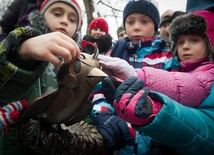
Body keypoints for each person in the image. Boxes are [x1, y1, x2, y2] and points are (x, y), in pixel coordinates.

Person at [99, 13, 214, 155]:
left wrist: (136, 76)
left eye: (194, 40)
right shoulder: (117, 50)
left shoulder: (207, 70)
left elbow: (182, 86)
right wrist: (104, 115)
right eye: (180, 42)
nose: (185, 47)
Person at [91, 0, 182, 154]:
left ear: (155, 25)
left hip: (155, 141)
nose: (136, 27)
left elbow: (176, 97)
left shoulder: (167, 56)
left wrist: (161, 132)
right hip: (119, 142)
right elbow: (97, 88)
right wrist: (104, 114)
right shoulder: (113, 55)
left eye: (144, 21)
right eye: (130, 21)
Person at [0, 0, 81, 154]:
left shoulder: (78, 63)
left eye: (72, 19)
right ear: (41, 16)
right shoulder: (20, 45)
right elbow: (5, 90)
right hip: (15, 144)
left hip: (56, 145)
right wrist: (24, 50)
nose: (64, 20)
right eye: (57, 13)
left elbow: (79, 103)